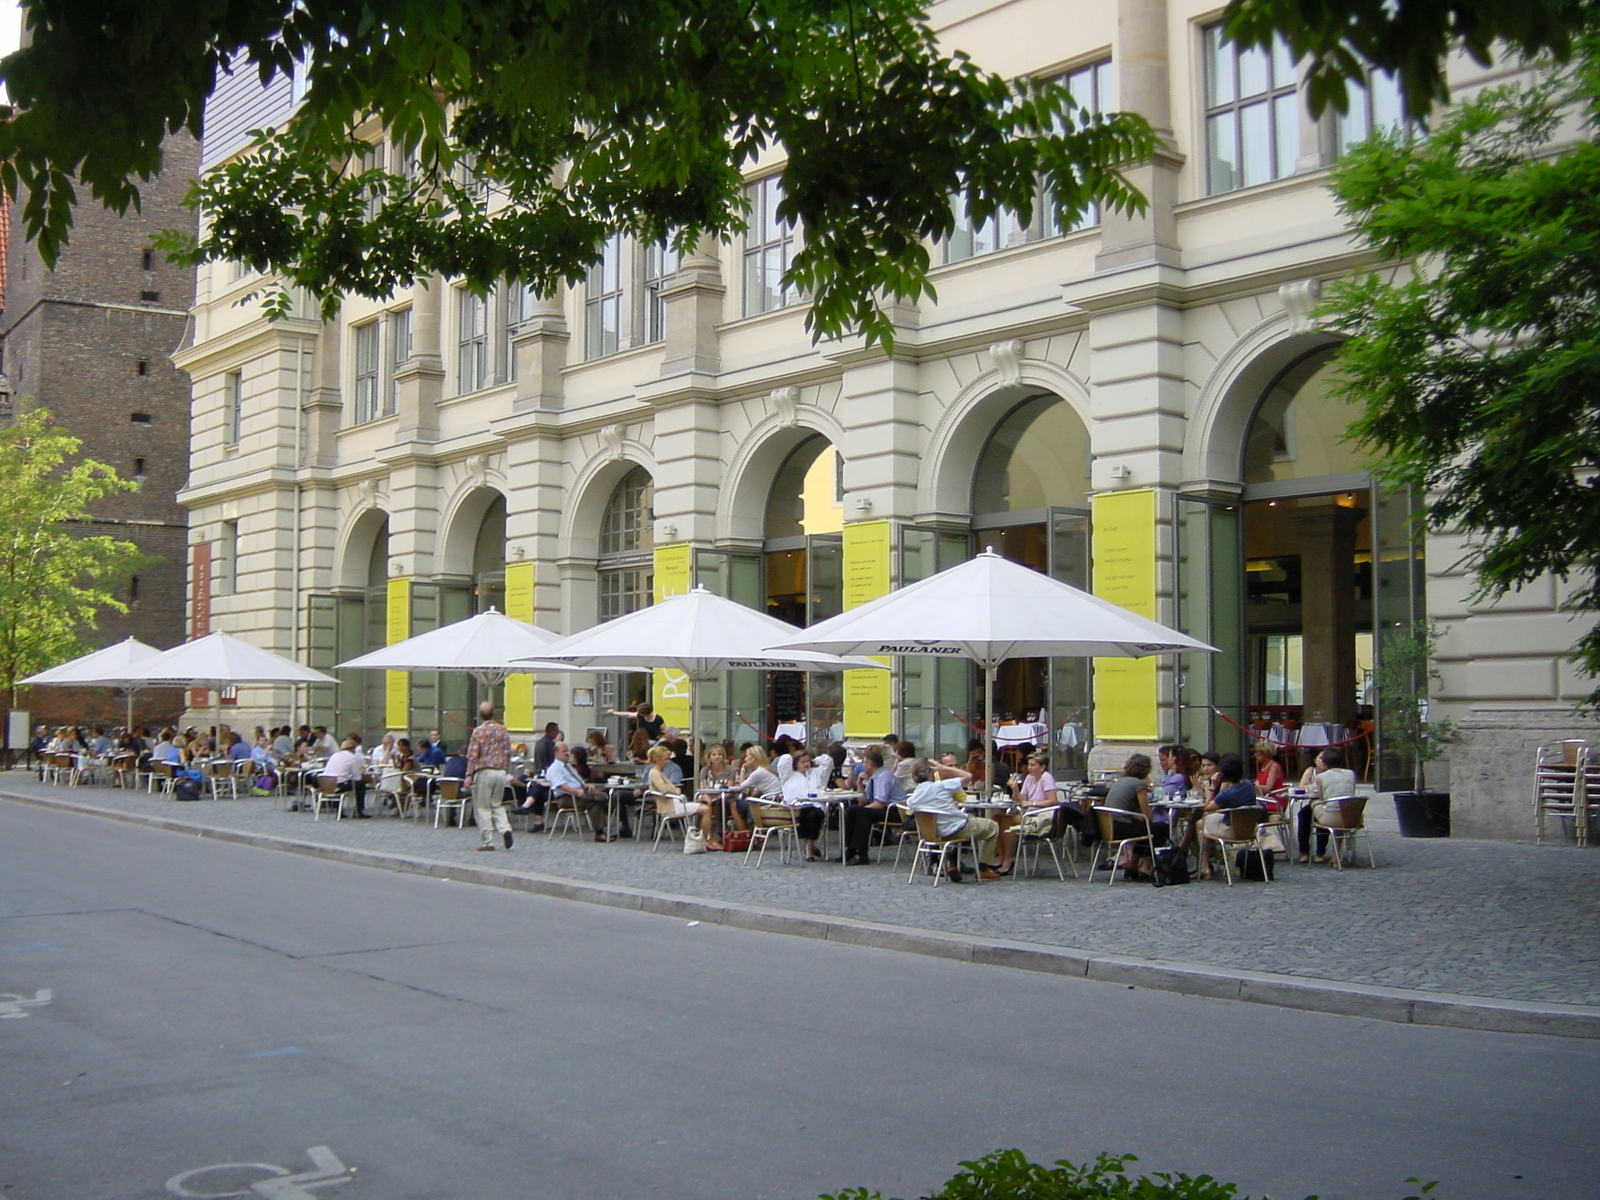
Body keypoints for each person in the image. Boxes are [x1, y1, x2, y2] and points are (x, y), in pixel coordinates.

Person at [904, 760, 1001, 882]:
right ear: (932, 773)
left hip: (937, 834)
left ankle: (952, 864)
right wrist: (944, 768)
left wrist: (947, 806)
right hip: (958, 828)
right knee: (992, 826)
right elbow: (968, 776)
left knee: (952, 831)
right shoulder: (940, 785)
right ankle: (983, 868)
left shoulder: (913, 798)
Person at [645, 743, 719, 848]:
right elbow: (663, 789)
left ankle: (705, 837)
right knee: (706, 809)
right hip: (670, 807)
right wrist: (675, 790)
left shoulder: (658, 772)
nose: (668, 761)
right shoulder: (655, 773)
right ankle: (707, 839)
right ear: (658, 759)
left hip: (673, 803)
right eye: (666, 759)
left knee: (704, 808)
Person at [1197, 752, 1257, 880]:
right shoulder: (1248, 785)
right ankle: (1217, 855)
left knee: (1199, 824)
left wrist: (1211, 788)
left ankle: (1205, 865)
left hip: (1232, 831)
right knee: (1209, 822)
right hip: (1250, 830)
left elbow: (1208, 808)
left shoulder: (1228, 794)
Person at [996, 754, 1059, 875]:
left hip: (1040, 817)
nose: (1029, 767)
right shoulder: (1029, 778)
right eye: (1029, 764)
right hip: (1029, 813)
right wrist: (1015, 789)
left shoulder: (1046, 778)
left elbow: (1052, 800)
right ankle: (1001, 857)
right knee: (996, 818)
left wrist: (1032, 803)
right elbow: (1022, 800)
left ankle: (1007, 860)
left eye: (1033, 765)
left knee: (1006, 821)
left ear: (1042, 767)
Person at [464, 701, 515, 851]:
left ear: (480, 715)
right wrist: (506, 770)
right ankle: (505, 829)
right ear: (494, 713)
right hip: (500, 772)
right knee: (497, 804)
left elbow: (473, 755)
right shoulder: (502, 730)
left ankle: (488, 841)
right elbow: (508, 753)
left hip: (485, 772)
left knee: (483, 807)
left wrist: (469, 775)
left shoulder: (478, 731)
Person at [843, 744, 905, 865]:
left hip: (895, 811)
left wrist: (862, 809)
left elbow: (880, 803)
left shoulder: (883, 776)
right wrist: (859, 783)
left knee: (862, 813)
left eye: (863, 763)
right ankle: (850, 849)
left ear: (869, 765)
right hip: (882, 808)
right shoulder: (873, 777)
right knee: (852, 810)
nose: (862, 765)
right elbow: (863, 801)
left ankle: (861, 853)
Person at [1297, 747, 1359, 863]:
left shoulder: (1321, 777)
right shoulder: (1350, 773)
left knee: (1315, 805)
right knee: (1334, 811)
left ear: (1325, 763)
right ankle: (1335, 856)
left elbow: (1322, 799)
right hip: (1352, 817)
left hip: (1331, 818)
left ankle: (1315, 852)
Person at [1097, 753, 1156, 873]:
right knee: (1159, 829)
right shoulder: (1138, 785)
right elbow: (1147, 816)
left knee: (1147, 829)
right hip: (1120, 828)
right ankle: (1144, 866)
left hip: (1107, 828)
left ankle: (1133, 865)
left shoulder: (1120, 781)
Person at [546, 741, 611, 841]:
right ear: (556, 753)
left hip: (580, 794)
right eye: (564, 751)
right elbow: (561, 785)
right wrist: (576, 792)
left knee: (603, 796)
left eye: (567, 751)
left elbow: (580, 781)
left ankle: (600, 831)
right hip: (567, 798)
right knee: (593, 803)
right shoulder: (554, 768)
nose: (567, 753)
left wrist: (587, 786)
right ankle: (599, 833)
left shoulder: (568, 766)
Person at [781, 748, 828, 861]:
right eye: (802, 762)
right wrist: (792, 758)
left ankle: (808, 848)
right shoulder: (788, 775)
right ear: (795, 764)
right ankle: (810, 847)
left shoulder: (817, 773)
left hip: (815, 805)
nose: (806, 764)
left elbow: (828, 761)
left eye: (807, 761)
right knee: (801, 816)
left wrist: (814, 760)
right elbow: (783, 760)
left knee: (815, 815)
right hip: (795, 806)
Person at [319, 736, 369, 818]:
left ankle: (339, 810)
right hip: (339, 785)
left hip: (326, 785)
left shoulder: (334, 755)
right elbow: (357, 777)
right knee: (360, 784)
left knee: (343, 780)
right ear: (353, 749)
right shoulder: (353, 757)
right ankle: (358, 810)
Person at [698, 743, 743, 834]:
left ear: (723, 756)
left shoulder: (731, 770)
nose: (717, 757)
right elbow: (702, 788)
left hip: (725, 798)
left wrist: (716, 799)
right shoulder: (705, 770)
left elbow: (729, 790)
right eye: (714, 755)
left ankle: (720, 833)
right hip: (709, 797)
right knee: (701, 805)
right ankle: (701, 834)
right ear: (709, 757)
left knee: (720, 803)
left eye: (719, 754)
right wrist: (709, 800)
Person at [1253, 740, 1286, 808]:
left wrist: (1253, 786)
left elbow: (1268, 788)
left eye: (1257, 752)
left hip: (1272, 801)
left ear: (1265, 753)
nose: (1255, 755)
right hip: (1263, 799)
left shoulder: (1273, 766)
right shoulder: (1263, 767)